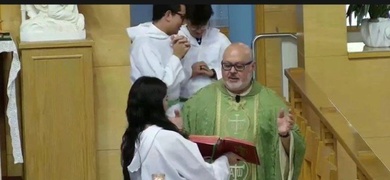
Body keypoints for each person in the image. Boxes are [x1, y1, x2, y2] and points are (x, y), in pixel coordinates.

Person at [182, 43, 306, 180]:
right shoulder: (199, 102)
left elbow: (296, 150)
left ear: (252, 67)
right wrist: (177, 129)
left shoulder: (272, 104)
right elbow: (182, 146)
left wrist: (284, 136)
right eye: (227, 66)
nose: (232, 71)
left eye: (239, 66)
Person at [120, 76, 243, 180]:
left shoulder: (132, 138)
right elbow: (206, 176)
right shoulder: (166, 138)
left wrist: (174, 130)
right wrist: (226, 160)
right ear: (156, 104)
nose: (168, 104)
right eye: (166, 99)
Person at [126, 5, 190, 118]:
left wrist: (182, 55)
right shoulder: (144, 43)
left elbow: (179, 80)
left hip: (173, 109)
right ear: (168, 15)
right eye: (182, 16)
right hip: (153, 113)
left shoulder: (170, 39)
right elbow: (159, 86)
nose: (184, 23)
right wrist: (176, 56)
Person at [178, 5, 231, 101]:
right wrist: (190, 72)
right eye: (194, 26)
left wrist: (213, 73)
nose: (199, 31)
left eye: (203, 26)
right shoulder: (178, 38)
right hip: (185, 97)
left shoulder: (219, 38)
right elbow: (170, 73)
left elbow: (232, 67)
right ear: (186, 20)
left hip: (214, 98)